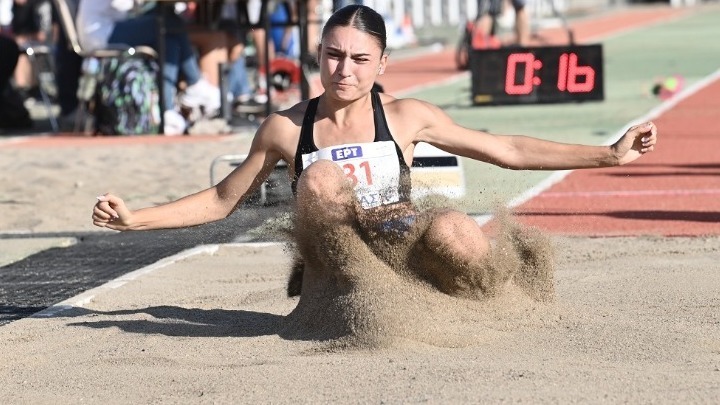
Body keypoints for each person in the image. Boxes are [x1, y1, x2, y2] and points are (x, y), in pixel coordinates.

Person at [92, 5, 658, 298]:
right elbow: (221, 199)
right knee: (318, 183)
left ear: (382, 64)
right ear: (319, 55)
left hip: (400, 249)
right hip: (335, 277)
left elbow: (505, 147)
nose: (344, 70)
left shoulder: (408, 117)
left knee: (457, 227)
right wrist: (136, 218)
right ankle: (342, 293)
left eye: (360, 59)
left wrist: (608, 155)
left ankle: (501, 296)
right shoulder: (286, 129)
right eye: (334, 55)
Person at [76, 0, 221, 135]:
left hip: (110, 26)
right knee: (168, 23)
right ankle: (194, 83)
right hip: (101, 34)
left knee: (170, 41)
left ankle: (167, 110)